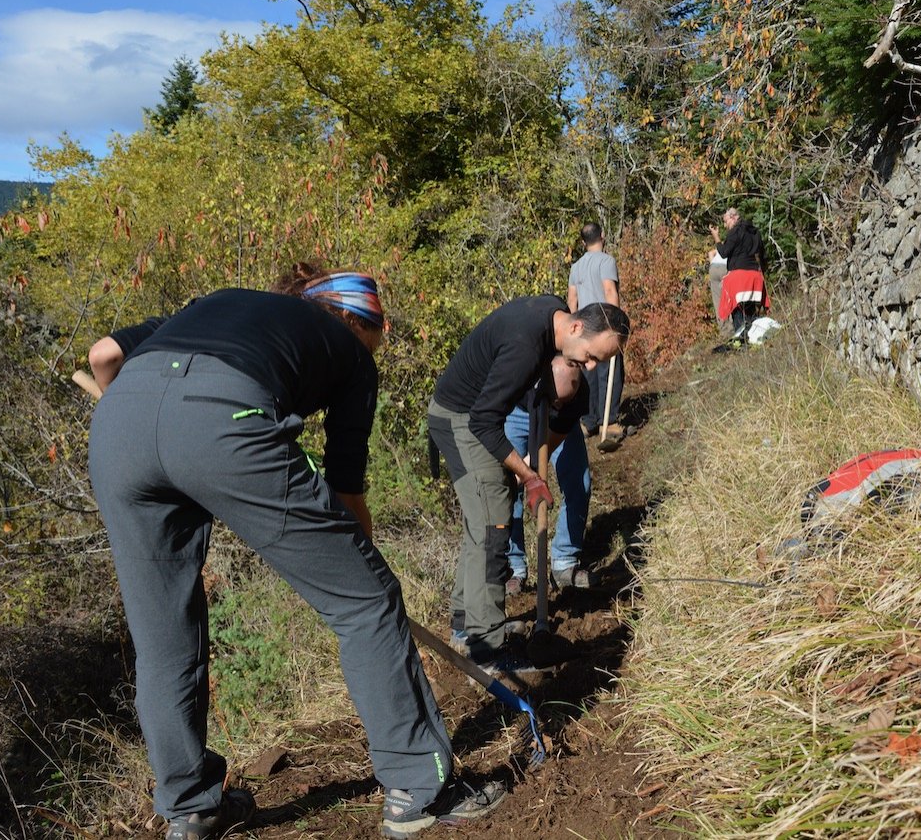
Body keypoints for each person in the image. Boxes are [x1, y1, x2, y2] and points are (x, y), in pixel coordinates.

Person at [86, 263, 502, 840]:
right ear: (359, 323)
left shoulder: (219, 300)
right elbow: (346, 488)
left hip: (117, 431)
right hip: (220, 419)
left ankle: (190, 811)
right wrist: (360, 574)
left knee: (163, 637)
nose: (372, 349)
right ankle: (418, 789)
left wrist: (151, 437)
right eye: (375, 339)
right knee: (365, 601)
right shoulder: (352, 356)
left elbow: (103, 354)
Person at [427, 296, 629, 671]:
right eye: (590, 355)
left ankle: (464, 625)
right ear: (574, 327)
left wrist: (532, 472)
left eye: (597, 361)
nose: (589, 365)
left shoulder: (553, 317)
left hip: (470, 416)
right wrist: (528, 475)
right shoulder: (525, 345)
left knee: (487, 514)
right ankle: (488, 649)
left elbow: (546, 431)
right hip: (460, 419)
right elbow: (483, 421)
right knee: (494, 522)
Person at [504, 357, 591, 595]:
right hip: (518, 412)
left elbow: (547, 447)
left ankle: (564, 561)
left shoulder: (578, 396)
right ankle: (514, 567)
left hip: (560, 426)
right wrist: (523, 475)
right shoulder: (523, 368)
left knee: (579, 481)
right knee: (509, 490)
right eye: (556, 401)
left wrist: (530, 472)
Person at [568, 222, 624, 441]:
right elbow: (610, 291)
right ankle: (608, 422)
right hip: (604, 324)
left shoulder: (576, 267)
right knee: (610, 372)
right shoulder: (606, 261)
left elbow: (572, 300)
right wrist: (616, 325)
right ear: (603, 235)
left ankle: (588, 421)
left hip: (582, 327)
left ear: (583, 243)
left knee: (588, 374)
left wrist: (572, 333)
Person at [709, 208, 770, 343]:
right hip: (754, 275)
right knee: (750, 308)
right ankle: (754, 337)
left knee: (737, 310)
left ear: (733, 217)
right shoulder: (754, 231)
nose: (725, 225)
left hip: (738, 277)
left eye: (726, 221)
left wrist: (716, 238)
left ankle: (740, 339)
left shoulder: (734, 232)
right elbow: (762, 254)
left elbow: (724, 252)